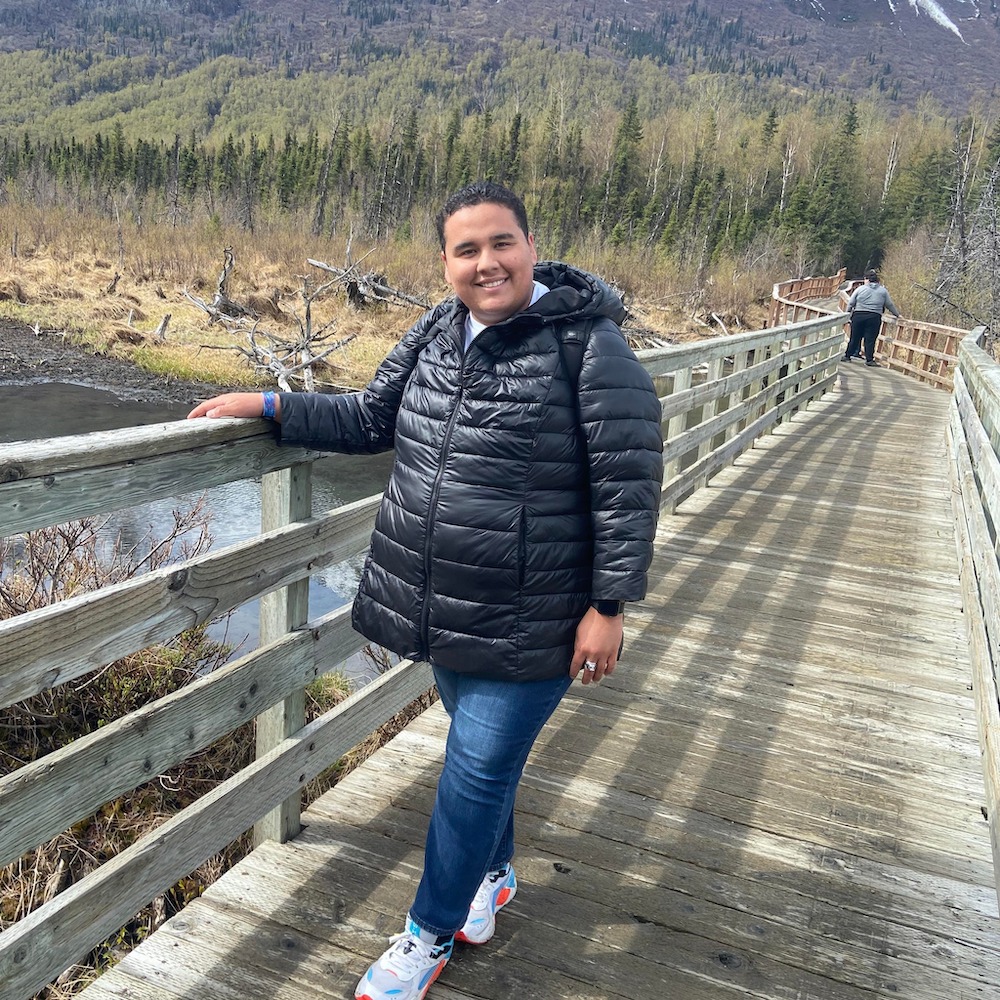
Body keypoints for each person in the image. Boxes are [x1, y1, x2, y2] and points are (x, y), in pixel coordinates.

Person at [188, 181, 664, 1000]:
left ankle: (425, 937)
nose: (487, 263)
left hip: (536, 615)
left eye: (501, 243)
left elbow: (629, 485)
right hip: (441, 604)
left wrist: (608, 606)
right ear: (444, 263)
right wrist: (270, 403)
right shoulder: (438, 331)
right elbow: (373, 418)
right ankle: (496, 875)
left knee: (473, 773)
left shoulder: (589, 346)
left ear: (530, 245)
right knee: (485, 767)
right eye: (466, 249)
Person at [843, 269, 901, 367]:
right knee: (870, 339)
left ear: (867, 280)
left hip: (859, 315)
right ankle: (869, 359)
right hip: (874, 316)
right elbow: (889, 305)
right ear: (877, 281)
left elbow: (851, 303)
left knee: (855, 337)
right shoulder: (883, 291)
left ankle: (847, 356)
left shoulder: (860, 289)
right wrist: (897, 315)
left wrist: (847, 314)